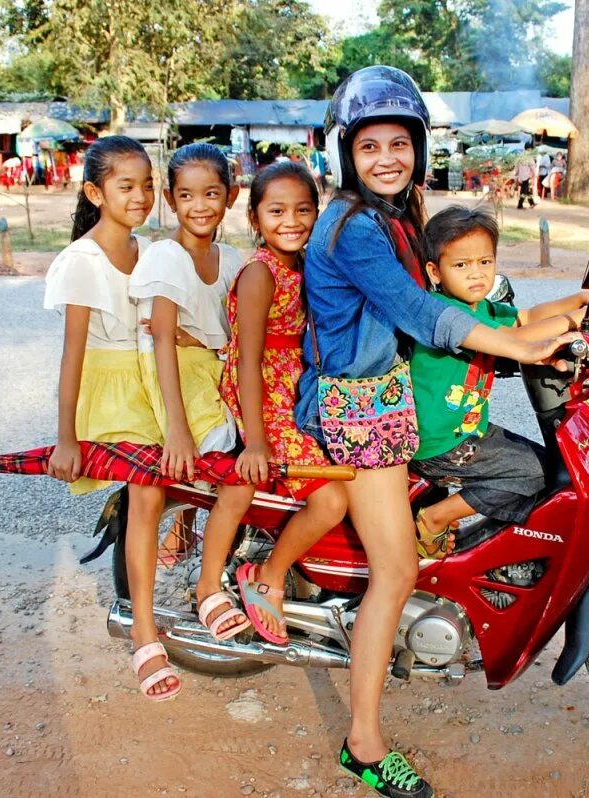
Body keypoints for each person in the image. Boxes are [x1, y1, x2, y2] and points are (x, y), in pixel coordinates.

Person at [296, 65, 581, 798]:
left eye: (400, 142)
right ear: (344, 155)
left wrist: (551, 314)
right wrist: (521, 346)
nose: (386, 157)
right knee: (395, 571)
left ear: (419, 148)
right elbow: (421, 314)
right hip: (361, 407)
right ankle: (363, 744)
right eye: (370, 147)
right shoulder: (355, 227)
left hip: (396, 394)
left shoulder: (403, 213)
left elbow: (458, 283)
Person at [42, 136, 177, 702]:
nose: (141, 195)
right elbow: (72, 355)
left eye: (148, 185)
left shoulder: (149, 251)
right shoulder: (81, 261)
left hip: (153, 379)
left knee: (209, 455)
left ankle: (178, 532)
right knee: (147, 491)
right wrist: (65, 438)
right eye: (127, 186)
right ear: (97, 192)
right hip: (112, 390)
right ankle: (145, 634)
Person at [408, 205, 589, 553]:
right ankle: (436, 516)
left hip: (468, 430)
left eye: (484, 263)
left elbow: (525, 318)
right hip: (440, 443)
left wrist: (580, 299)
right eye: (461, 265)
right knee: (535, 473)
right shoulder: (446, 313)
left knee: (552, 467)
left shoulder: (481, 307)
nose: (475, 274)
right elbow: (517, 341)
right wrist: (576, 319)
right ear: (435, 271)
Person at [128, 142, 254, 642]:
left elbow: (225, 333)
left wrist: (205, 342)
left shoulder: (234, 260)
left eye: (211, 194)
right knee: (230, 462)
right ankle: (205, 585)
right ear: (169, 198)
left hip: (211, 368)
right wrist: (176, 432)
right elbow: (161, 338)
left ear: (231, 196)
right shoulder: (166, 256)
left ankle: (187, 532)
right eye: (186, 196)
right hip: (174, 377)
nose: (199, 206)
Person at [221, 161, 349, 644]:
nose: (291, 221)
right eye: (276, 211)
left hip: (294, 384)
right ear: (255, 218)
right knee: (331, 497)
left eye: (303, 209)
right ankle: (269, 576)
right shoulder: (261, 273)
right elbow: (246, 361)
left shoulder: (305, 263)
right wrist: (255, 441)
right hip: (263, 390)